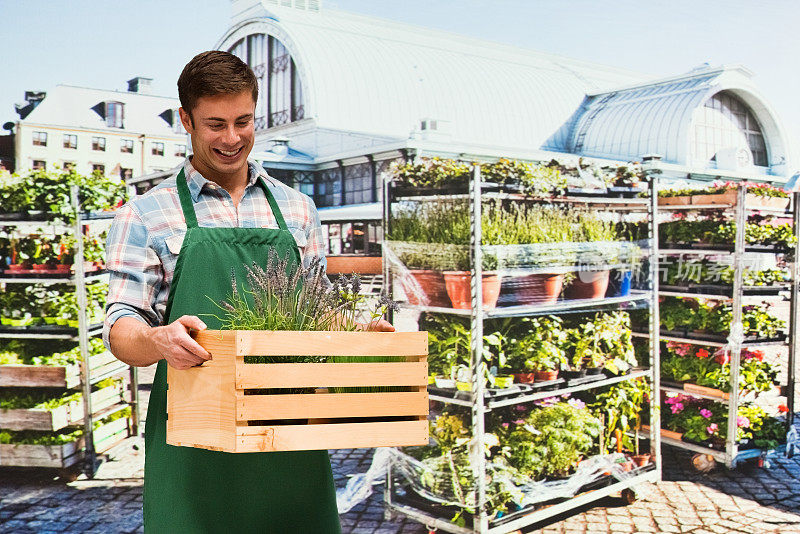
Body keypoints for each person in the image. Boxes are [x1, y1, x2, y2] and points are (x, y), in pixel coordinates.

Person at [105, 50, 391, 533]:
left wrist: (359, 332)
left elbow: (316, 310)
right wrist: (157, 340)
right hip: (191, 438)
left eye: (244, 121)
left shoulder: (298, 209)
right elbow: (120, 327)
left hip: (290, 427)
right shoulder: (145, 214)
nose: (232, 138)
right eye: (215, 124)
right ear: (186, 121)